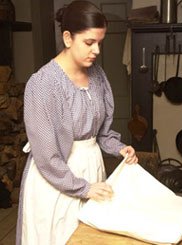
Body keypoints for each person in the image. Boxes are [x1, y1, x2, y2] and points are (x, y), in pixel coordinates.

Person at [16, 1, 138, 244]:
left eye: (99, 43)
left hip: (92, 169)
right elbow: (47, 156)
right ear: (68, 38)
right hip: (56, 180)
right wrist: (83, 188)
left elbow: (102, 133)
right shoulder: (42, 84)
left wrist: (119, 148)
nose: (97, 51)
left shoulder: (97, 75)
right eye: (89, 43)